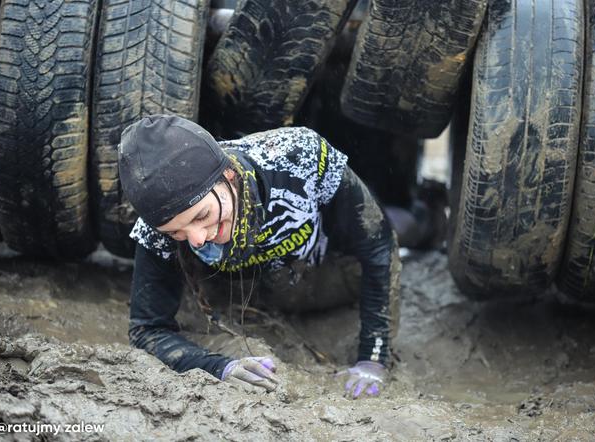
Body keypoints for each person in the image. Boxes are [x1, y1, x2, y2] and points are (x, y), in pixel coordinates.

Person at [118, 114, 400, 399]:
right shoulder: (156, 226)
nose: (197, 238)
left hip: (329, 273)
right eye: (177, 233)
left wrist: (372, 359)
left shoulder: (301, 158)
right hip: (249, 298)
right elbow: (147, 330)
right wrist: (219, 368)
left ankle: (428, 217)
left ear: (228, 176)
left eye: (202, 215)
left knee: (402, 228)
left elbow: (377, 244)